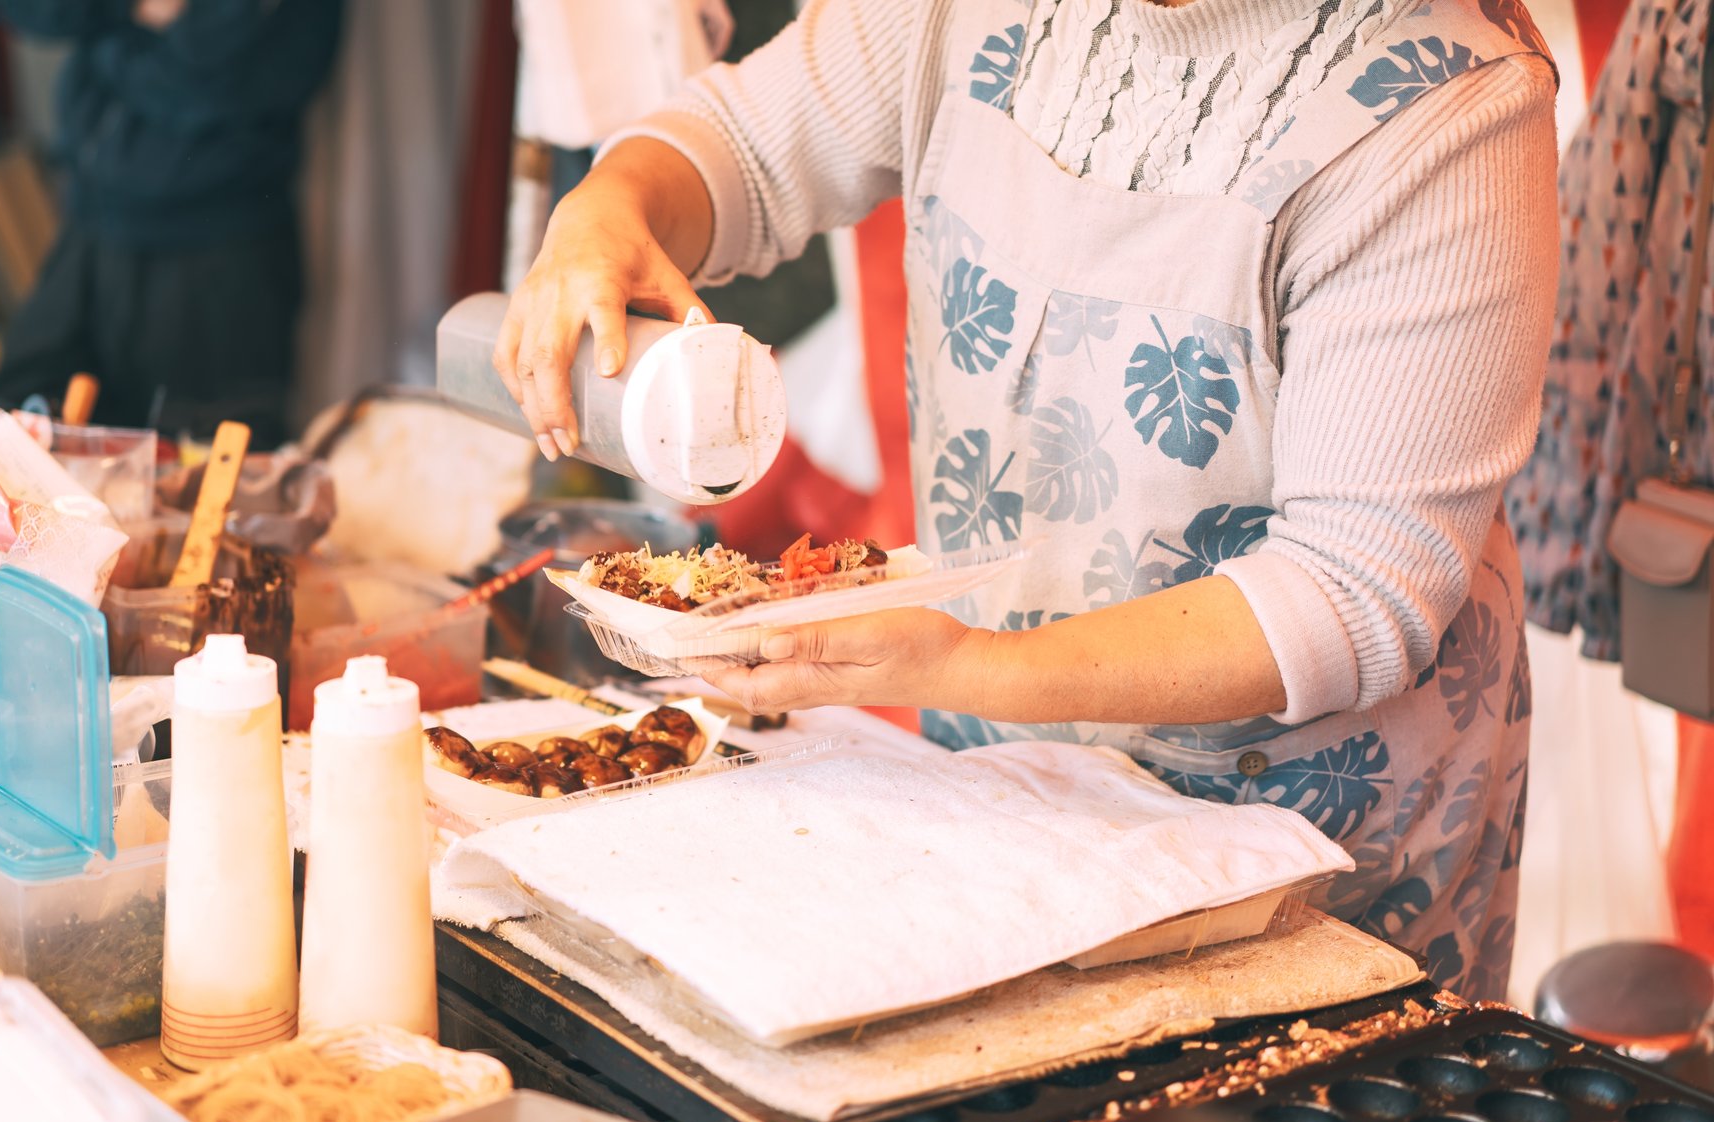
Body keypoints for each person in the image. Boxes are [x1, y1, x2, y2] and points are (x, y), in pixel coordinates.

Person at [497, 0, 1559, 999]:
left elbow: (1351, 591)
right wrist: (616, 203)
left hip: (1311, 860)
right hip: (1007, 793)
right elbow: (745, 146)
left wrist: (970, 665)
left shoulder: (1450, 109)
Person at [0, 0, 344, 446]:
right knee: (9, 430)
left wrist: (105, 37)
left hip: (216, 248)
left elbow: (222, 77)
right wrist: (136, 11)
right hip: (90, 229)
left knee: (203, 473)